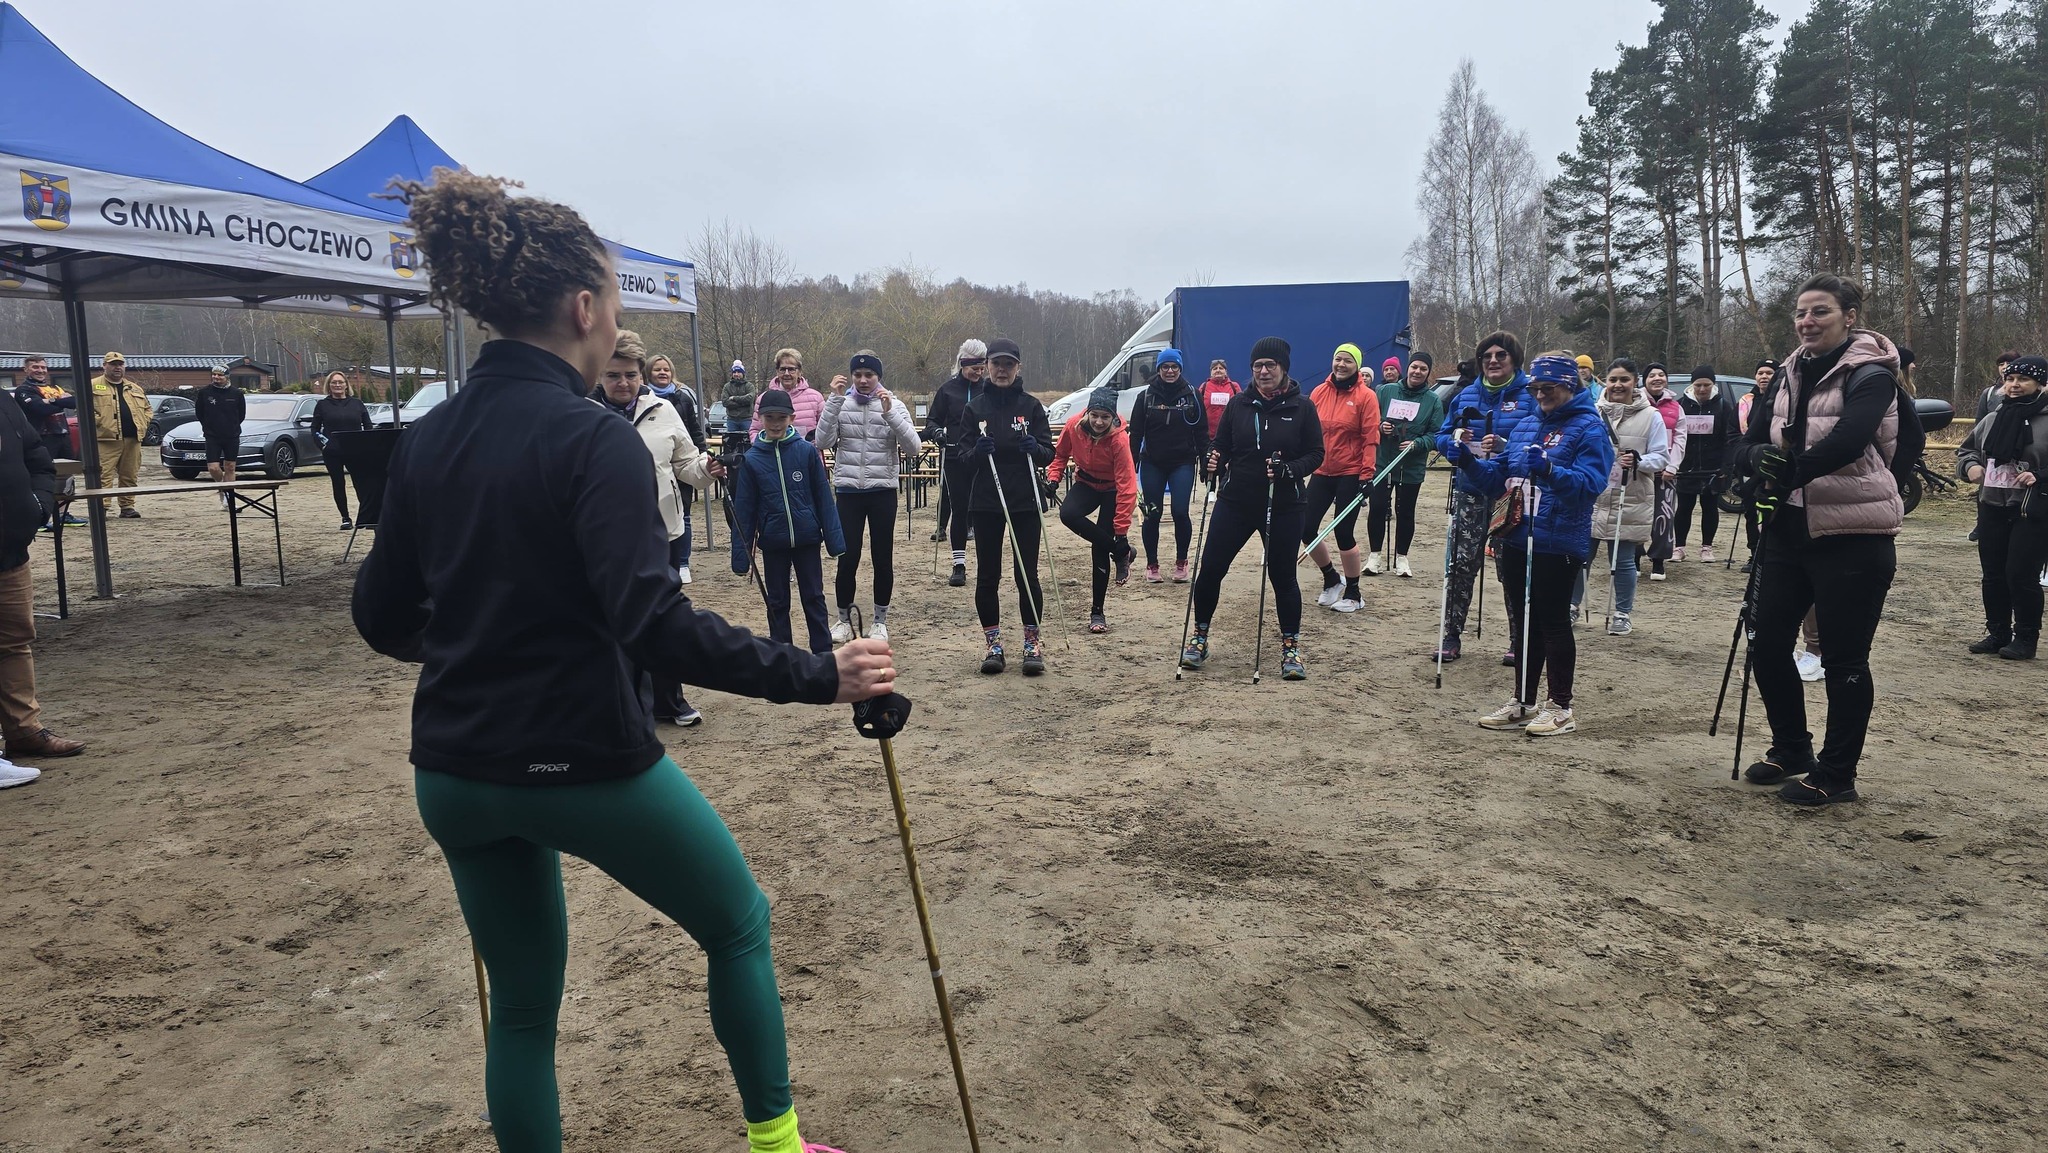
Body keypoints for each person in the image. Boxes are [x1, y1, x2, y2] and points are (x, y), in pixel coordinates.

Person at [352, 171, 887, 1153]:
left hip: (454, 769)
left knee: (520, 1011)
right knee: (736, 925)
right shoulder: (590, 437)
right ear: (586, 307)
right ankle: (776, 1147)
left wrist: (484, 643)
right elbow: (656, 627)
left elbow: (381, 617)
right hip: (581, 758)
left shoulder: (427, 439)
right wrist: (824, 674)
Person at [1734, 273, 1905, 807]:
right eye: (1802, 313)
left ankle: (1837, 774)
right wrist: (1755, 460)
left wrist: (1789, 472)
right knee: (1766, 641)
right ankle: (1792, 747)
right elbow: (1748, 441)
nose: (1808, 322)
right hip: (1788, 531)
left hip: (1853, 532)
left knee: (1844, 658)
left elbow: (1850, 439)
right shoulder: (1784, 373)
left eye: (1821, 312)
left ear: (1849, 315)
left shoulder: (1872, 374)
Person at [1455, 354, 1612, 736]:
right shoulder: (1527, 424)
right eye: (1536, 389)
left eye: (1549, 389)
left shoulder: (1589, 428)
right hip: (1517, 535)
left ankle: (1561, 706)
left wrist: (1551, 470)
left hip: (1558, 539)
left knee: (1553, 621)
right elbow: (1500, 479)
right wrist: (1470, 464)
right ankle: (1524, 701)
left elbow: (1590, 485)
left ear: (1570, 387)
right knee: (1523, 622)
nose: (1541, 395)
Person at [1180, 337, 1325, 679]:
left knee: (1283, 577)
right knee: (1212, 568)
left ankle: (1291, 649)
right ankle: (1199, 637)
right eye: (1257, 366)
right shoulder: (1239, 404)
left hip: (1284, 502)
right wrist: (1215, 459)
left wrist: (1291, 470)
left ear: (1283, 369)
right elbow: (1223, 444)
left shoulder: (1302, 407)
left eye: (1269, 366)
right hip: (1237, 500)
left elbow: (1316, 453)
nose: (1263, 372)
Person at [600, 330, 717, 727]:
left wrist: (707, 469)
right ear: (599, 374)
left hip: (662, 532)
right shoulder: (581, 412)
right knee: (611, 621)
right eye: (613, 375)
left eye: (631, 375)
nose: (623, 383)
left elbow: (686, 464)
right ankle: (622, 706)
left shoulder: (663, 410)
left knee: (663, 617)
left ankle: (670, 700)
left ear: (642, 374)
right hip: (604, 538)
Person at [1431, 332, 1536, 661]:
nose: (1493, 361)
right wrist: (1452, 446)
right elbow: (1443, 435)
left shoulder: (1530, 394)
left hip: (1512, 493)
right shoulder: (1466, 395)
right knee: (1461, 563)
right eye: (1486, 356)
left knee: (1511, 567)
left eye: (1500, 355)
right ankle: (1451, 634)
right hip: (1471, 489)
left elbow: (1540, 438)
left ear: (1514, 359)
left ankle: (1519, 640)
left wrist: (1506, 447)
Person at [0, 387, 84, 789]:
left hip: (9, 550)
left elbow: (38, 458)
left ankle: (23, 731)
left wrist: (38, 505)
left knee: (15, 641)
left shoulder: (4, 401)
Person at [960, 338, 1054, 674]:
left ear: (1018, 368)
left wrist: (1035, 448)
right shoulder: (975, 409)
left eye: (1008, 365)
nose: (1002, 370)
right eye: (997, 364)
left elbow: (1049, 452)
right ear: (987, 367)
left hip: (1024, 501)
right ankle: (993, 645)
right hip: (987, 501)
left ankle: (1031, 644)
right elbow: (963, 459)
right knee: (988, 576)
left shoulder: (1031, 406)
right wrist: (978, 452)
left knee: (1026, 574)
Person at [817, 351, 920, 644]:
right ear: (851, 377)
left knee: (881, 557)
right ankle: (844, 620)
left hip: (882, 491)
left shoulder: (894, 404)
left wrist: (889, 414)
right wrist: (834, 402)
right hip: (849, 491)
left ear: (879, 377)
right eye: (858, 375)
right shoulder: (840, 403)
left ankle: (879, 621)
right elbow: (822, 442)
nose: (863, 381)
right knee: (846, 558)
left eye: (869, 375)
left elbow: (913, 447)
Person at [732, 389, 844, 655]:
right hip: (773, 541)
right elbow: (744, 511)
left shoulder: (806, 452)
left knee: (814, 597)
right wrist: (741, 555)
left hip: (806, 537)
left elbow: (823, 498)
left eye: (781, 417)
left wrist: (834, 539)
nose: (775, 423)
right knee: (777, 602)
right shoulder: (752, 460)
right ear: (760, 419)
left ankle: (823, 655)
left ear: (792, 418)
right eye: (769, 417)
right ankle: (783, 658)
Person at [1956, 354, 2048, 660]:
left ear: (2041, 384)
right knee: (1993, 574)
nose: (2014, 385)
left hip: (2031, 509)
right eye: (2009, 379)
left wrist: (2038, 475)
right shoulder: (1993, 418)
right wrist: (1970, 468)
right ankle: (1997, 632)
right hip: (1992, 505)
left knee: (2020, 574)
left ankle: (2025, 637)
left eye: (2023, 379)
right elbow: (1967, 451)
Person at [1574, 360, 1668, 635]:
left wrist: (1639, 461)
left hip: (1631, 494)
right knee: (1580, 556)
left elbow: (1662, 456)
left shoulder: (1652, 416)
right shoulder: (1591, 412)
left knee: (1624, 560)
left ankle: (1622, 612)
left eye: (1624, 379)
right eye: (1613, 379)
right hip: (1593, 493)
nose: (1618, 385)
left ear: (1635, 382)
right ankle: (1571, 605)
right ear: (1606, 381)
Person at [1301, 342, 1382, 613]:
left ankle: (1354, 591)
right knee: (1306, 527)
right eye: (1338, 359)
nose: (1341, 365)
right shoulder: (1319, 392)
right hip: (1322, 469)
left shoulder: (1366, 396)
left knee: (1343, 531)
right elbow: (1308, 431)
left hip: (1351, 472)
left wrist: (1366, 475)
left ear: (1357, 366)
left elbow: (1371, 438)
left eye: (1348, 361)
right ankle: (1331, 579)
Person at [1048, 387, 1137, 633]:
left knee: (1099, 549)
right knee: (1068, 514)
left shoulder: (1119, 439)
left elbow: (1127, 487)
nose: (1098, 422)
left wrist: (1121, 532)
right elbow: (1060, 455)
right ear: (1087, 412)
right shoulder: (1073, 426)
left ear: (1113, 417)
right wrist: (1054, 478)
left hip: (1111, 489)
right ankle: (1122, 553)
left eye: (1105, 417)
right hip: (1086, 482)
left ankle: (1097, 612)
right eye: (1095, 415)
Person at [1125, 347, 1209, 582]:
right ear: (1159, 369)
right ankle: (1152, 564)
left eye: (1174, 367)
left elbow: (1202, 432)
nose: (1170, 371)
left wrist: (1205, 461)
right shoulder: (1145, 397)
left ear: (1180, 369)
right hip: (1153, 462)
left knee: (1180, 512)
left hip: (1182, 462)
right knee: (1153, 514)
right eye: (1165, 367)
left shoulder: (1192, 395)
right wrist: (1130, 466)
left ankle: (1181, 562)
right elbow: (1135, 434)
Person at [1368, 351, 1445, 577]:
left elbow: (1436, 433)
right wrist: (1382, 426)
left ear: (1428, 372)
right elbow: (1371, 418)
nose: (1417, 372)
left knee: (1405, 512)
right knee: (1378, 508)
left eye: (1423, 369)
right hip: (1383, 461)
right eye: (1414, 367)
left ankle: (1402, 557)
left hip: (1410, 465)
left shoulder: (1432, 400)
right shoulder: (1385, 391)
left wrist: (1419, 443)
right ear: (1407, 368)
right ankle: (1374, 556)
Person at [924, 339, 988, 584]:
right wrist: (938, 433)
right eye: (974, 367)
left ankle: (985, 564)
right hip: (954, 456)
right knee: (960, 509)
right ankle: (958, 565)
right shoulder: (948, 390)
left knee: (981, 510)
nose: (979, 372)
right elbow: (932, 421)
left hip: (982, 456)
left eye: (982, 367)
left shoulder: (988, 389)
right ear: (963, 364)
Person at [648, 354, 708, 584]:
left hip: (681, 462)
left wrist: (702, 454)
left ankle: (683, 562)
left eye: (666, 369)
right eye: (657, 370)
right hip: (658, 466)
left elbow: (693, 429)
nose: (662, 373)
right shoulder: (644, 401)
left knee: (684, 514)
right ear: (648, 373)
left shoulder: (683, 398)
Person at [1674, 366, 1741, 564]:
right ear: (1691, 385)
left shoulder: (1723, 406)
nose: (1702, 389)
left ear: (1713, 385)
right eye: (1698, 385)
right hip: (1686, 467)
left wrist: (1726, 467)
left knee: (1709, 507)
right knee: (1684, 507)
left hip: (1713, 467)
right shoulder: (1681, 406)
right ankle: (1679, 547)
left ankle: (1707, 547)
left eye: (1707, 385)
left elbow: (1729, 439)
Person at [13, 355, 83, 528]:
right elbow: (38, 408)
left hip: (62, 435)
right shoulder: (24, 390)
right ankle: (42, 516)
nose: (40, 370)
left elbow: (74, 402)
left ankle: (63, 514)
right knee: (43, 477)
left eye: (43, 367)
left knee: (66, 476)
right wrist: (60, 400)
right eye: (35, 367)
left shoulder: (53, 388)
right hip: (41, 438)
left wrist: (51, 400)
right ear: (26, 370)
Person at [309, 371, 373, 530]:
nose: (337, 385)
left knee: (362, 484)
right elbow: (314, 429)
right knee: (338, 483)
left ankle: (366, 516)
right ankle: (345, 517)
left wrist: (365, 444)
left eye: (340, 382)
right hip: (333, 452)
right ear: (329, 386)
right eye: (334, 383)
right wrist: (323, 445)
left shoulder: (357, 404)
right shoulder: (322, 405)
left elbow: (368, 426)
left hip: (356, 450)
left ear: (346, 385)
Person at [1641, 364, 1686, 581]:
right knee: (1637, 513)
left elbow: (1680, 439)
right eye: (1652, 375)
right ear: (1644, 380)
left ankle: (1658, 560)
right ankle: (1633, 556)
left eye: (1661, 375)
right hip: (1638, 471)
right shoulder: (1636, 403)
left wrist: (1672, 466)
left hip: (1665, 472)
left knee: (1663, 516)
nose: (1657, 378)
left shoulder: (1676, 407)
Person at [90, 352, 149, 519]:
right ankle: (101, 508)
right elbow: (83, 409)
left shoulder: (134, 387)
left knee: (130, 474)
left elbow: (147, 409)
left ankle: (127, 507)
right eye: (113, 364)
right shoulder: (92, 386)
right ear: (104, 366)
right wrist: (101, 422)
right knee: (103, 475)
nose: (117, 367)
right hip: (106, 439)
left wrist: (144, 421)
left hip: (132, 439)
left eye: (120, 364)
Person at [1737, 359, 1778, 572]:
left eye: (1769, 373)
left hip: (1775, 464)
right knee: (1751, 512)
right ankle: (1754, 554)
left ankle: (1770, 553)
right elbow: (1735, 432)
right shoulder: (1746, 401)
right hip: (1751, 463)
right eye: (1760, 372)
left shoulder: (1782, 400)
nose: (1764, 376)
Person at [750, 348, 825, 440]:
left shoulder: (816, 398)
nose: (786, 373)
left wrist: (812, 447)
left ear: (800, 372)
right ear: (777, 371)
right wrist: (763, 448)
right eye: (782, 369)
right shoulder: (763, 399)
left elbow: (825, 431)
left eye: (791, 369)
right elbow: (754, 431)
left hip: (807, 453)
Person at [1201, 359, 1241, 440]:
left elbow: (1241, 408)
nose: (1218, 370)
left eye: (1221, 368)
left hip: (1230, 435)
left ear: (1226, 371)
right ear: (1211, 372)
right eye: (1215, 368)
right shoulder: (1204, 387)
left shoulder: (1234, 386)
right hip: (1208, 436)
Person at [721, 359, 755, 434]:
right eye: (734, 372)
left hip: (746, 419)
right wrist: (743, 403)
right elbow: (725, 402)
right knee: (731, 442)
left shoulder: (749, 386)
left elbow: (750, 399)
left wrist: (734, 398)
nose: (736, 374)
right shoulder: (727, 386)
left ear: (743, 373)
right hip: (732, 420)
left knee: (747, 441)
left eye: (739, 372)